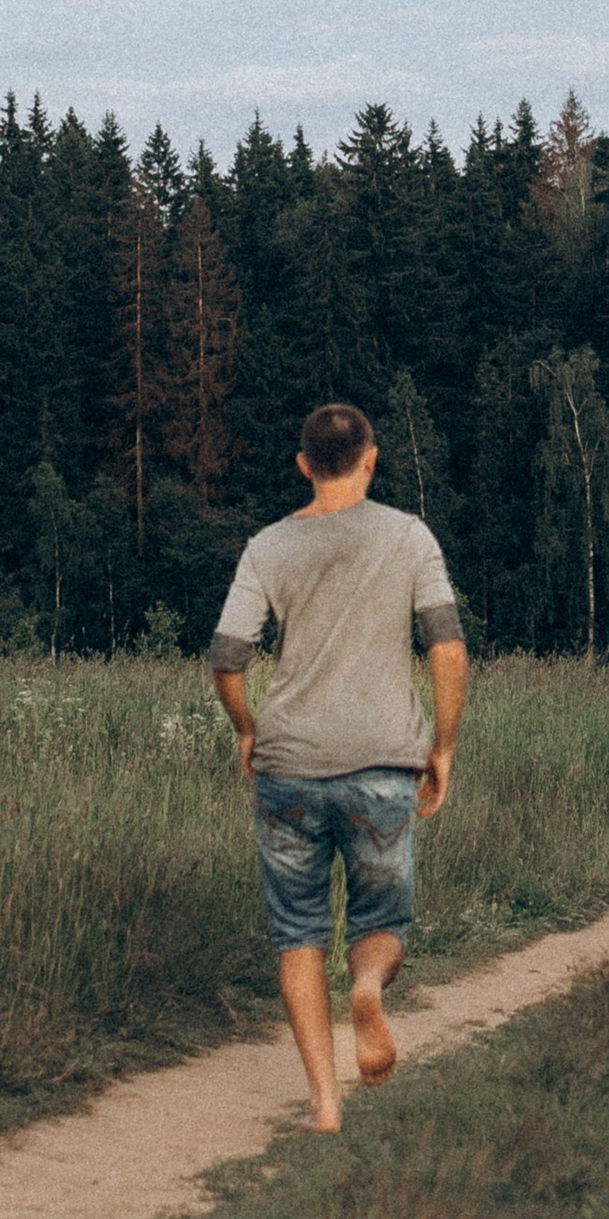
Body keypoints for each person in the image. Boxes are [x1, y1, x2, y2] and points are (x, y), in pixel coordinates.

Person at [207, 400, 470, 1133]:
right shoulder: (410, 536)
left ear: (302, 464)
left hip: (288, 764)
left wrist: (247, 726)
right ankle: (366, 987)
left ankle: (325, 1106)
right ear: (371, 457)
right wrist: (441, 746)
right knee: (381, 919)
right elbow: (446, 647)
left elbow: (228, 657)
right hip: (383, 763)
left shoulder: (267, 546)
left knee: (298, 932)